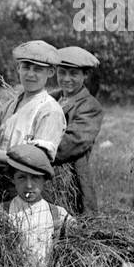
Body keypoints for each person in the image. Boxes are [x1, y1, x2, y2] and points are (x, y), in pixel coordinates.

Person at [0, 39, 66, 199]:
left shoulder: (50, 110)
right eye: (26, 67)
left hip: (28, 187)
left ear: (50, 72)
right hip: (0, 181)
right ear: (18, 68)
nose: (30, 74)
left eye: (37, 69)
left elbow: (36, 160)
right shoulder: (11, 104)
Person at [0, 144, 69, 267]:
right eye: (21, 177)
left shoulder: (58, 214)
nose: (29, 185)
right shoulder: (0, 213)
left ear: (45, 180)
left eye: (35, 178)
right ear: (12, 179)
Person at [52, 46, 104, 215]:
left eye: (73, 74)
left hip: (70, 182)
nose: (67, 79)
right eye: (62, 72)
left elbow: (70, 144)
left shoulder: (90, 106)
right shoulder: (51, 98)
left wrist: (31, 149)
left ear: (85, 75)